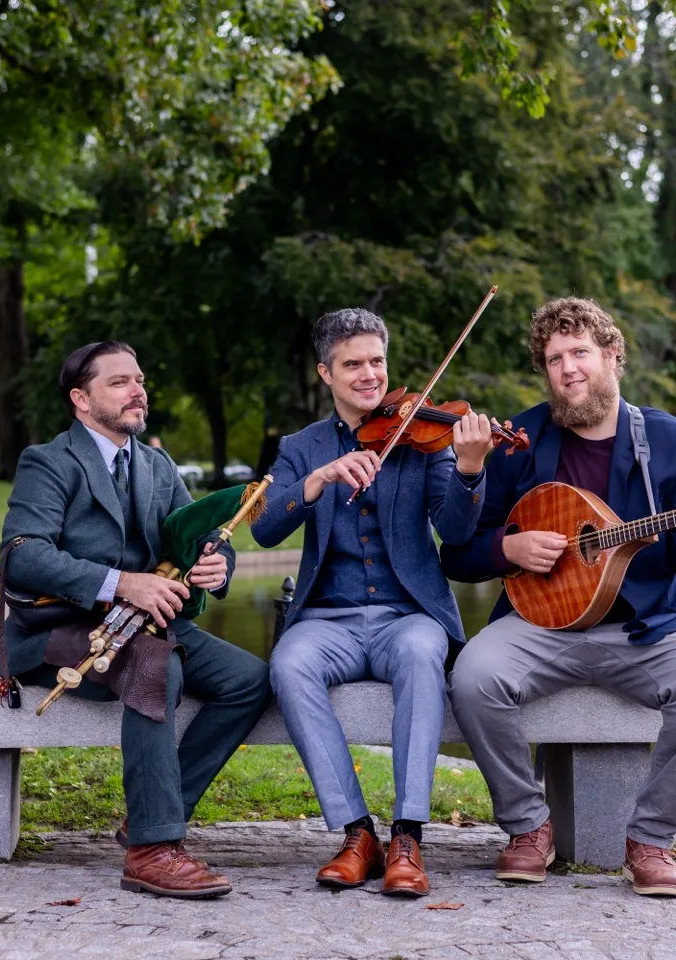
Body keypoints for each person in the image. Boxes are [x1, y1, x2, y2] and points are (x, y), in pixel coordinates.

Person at [441, 297, 676, 898]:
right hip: (540, 625)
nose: (568, 368)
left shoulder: (674, 442)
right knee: (473, 676)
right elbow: (459, 553)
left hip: (645, 629)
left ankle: (651, 839)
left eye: (580, 352)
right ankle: (528, 827)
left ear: (612, 357)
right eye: (554, 358)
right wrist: (511, 550)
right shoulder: (519, 441)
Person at [0, 341, 271, 899]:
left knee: (249, 680)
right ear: (81, 398)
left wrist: (216, 567)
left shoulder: (156, 462)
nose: (137, 390)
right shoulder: (48, 462)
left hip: (145, 624)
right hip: (55, 631)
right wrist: (124, 583)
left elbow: (198, 536)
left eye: (139, 379)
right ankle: (152, 850)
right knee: (159, 666)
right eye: (119, 381)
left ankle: (147, 816)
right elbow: (23, 553)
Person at [251, 308, 493, 897]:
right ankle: (358, 833)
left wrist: (468, 467)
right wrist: (317, 481)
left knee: (419, 655)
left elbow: (456, 532)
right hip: (327, 618)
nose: (369, 375)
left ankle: (408, 834)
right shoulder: (301, 447)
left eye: (377, 361)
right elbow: (262, 528)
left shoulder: (423, 437)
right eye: (353, 364)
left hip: (407, 615)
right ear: (325, 373)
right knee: (289, 663)